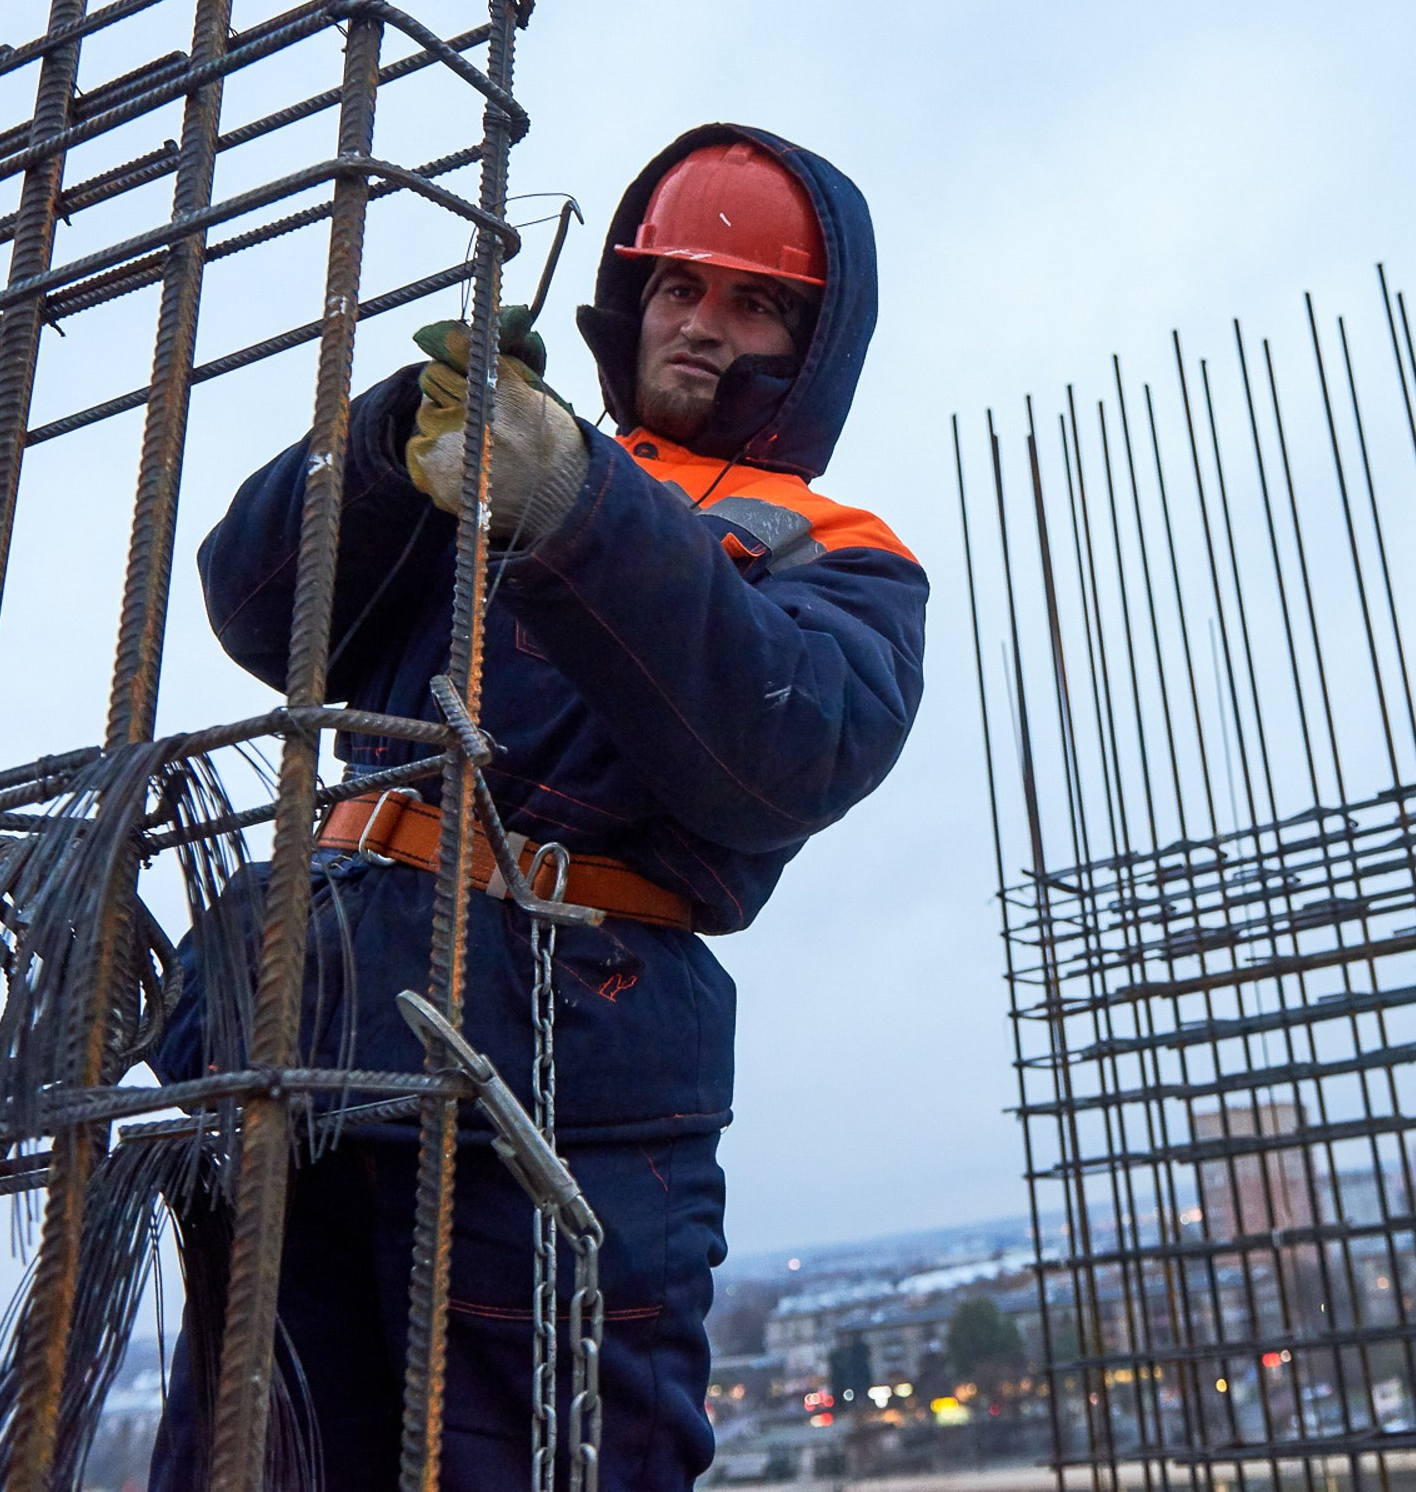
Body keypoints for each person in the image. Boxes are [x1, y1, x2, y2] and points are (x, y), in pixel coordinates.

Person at [150, 125, 927, 1488]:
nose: (702, 323)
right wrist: (396, 441)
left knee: (537, 1457)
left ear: (809, 349)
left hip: (566, 1050)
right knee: (259, 1451)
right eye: (680, 288)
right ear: (633, 303)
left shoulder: (834, 552)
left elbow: (782, 747)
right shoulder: (477, 464)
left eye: (753, 304)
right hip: (319, 996)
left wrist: (577, 502)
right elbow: (257, 603)